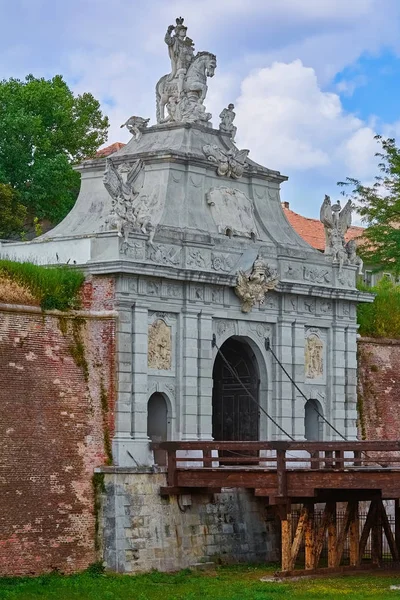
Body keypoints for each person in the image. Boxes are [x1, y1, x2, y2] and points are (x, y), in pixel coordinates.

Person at [164, 18, 195, 95]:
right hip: (180, 63)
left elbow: (192, 54)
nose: (184, 32)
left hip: (189, 63)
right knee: (181, 74)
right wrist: (169, 31)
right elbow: (167, 41)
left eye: (184, 30)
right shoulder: (175, 40)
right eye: (182, 30)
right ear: (178, 32)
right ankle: (180, 92)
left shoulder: (187, 43)